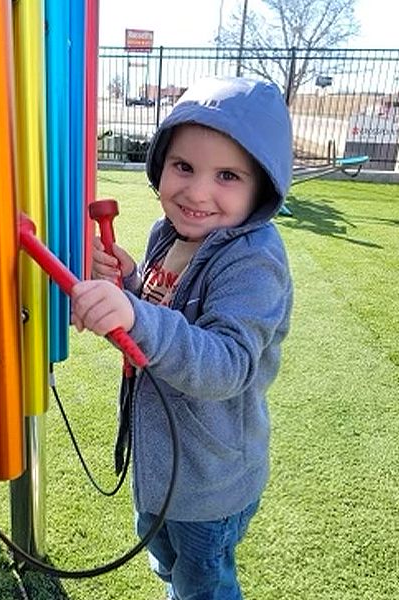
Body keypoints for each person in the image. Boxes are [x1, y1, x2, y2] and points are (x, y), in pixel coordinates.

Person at [71, 76, 294, 600]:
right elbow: (152, 327)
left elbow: (227, 364)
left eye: (227, 175)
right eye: (183, 166)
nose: (196, 192)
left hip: (208, 481)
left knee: (203, 588)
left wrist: (136, 315)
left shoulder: (253, 260)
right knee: (168, 566)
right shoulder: (166, 234)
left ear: (262, 186)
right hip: (161, 465)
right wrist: (125, 290)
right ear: (161, 165)